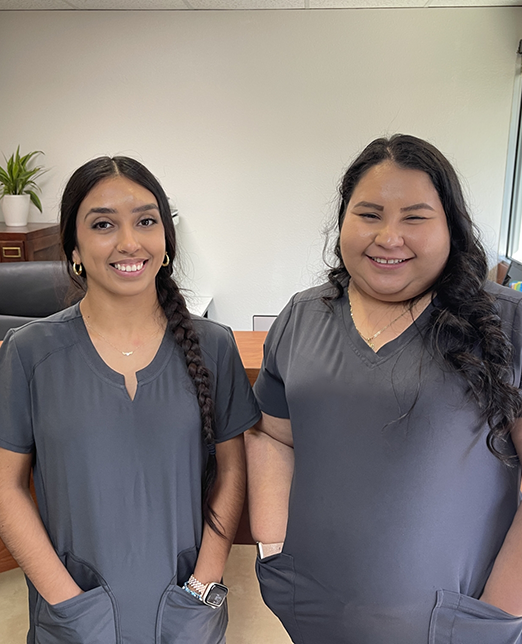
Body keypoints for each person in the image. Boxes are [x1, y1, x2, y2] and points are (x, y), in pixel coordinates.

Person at [245, 134, 522, 644]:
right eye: (369, 214)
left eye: (415, 217)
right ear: (343, 220)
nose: (389, 237)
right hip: (314, 609)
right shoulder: (303, 317)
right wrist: (272, 546)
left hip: (456, 627)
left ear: (450, 227)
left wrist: (498, 614)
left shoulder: (506, 322)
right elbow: (272, 437)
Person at [0, 156, 260, 644]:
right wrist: (66, 601)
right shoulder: (28, 352)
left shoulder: (213, 345)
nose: (128, 242)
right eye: (103, 224)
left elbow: (233, 471)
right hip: (74, 613)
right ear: (73, 248)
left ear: (165, 242)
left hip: (184, 607)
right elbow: (5, 487)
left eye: (145, 220)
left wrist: (204, 584)